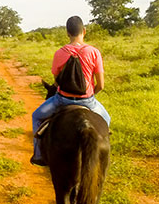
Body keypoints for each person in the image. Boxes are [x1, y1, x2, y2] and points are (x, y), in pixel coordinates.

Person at [30, 15, 111, 166]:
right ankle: (103, 154)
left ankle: (39, 154)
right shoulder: (94, 52)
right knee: (106, 120)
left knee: (36, 116)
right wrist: (90, 97)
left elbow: (56, 80)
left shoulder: (59, 53)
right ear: (84, 31)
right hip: (88, 100)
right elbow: (101, 85)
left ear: (67, 33)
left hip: (62, 99)